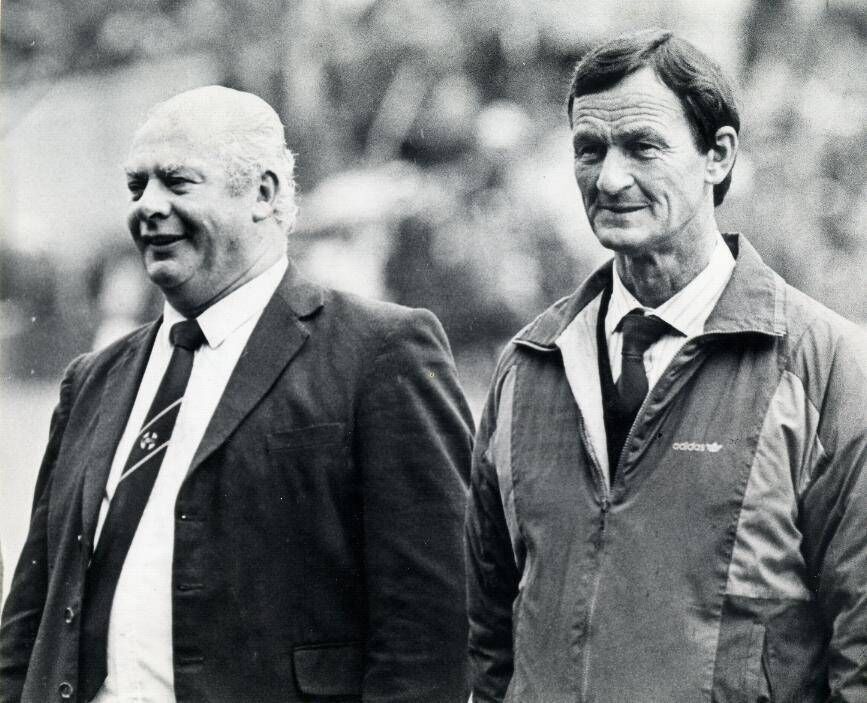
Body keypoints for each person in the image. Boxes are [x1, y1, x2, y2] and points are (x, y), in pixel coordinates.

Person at [0, 86, 474, 703]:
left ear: (264, 193)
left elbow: (431, 631)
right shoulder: (94, 379)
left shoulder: (379, 353)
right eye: (135, 187)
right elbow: (32, 613)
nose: (148, 207)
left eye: (177, 182)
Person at [466, 29, 867, 702]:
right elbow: (486, 637)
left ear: (716, 155)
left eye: (641, 147)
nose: (609, 177)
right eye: (588, 150)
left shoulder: (822, 364)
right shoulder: (527, 368)